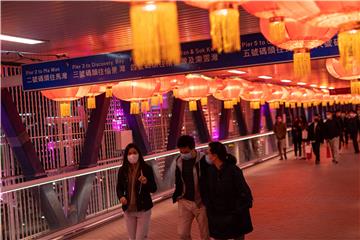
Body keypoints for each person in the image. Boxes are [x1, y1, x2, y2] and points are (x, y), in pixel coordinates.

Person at [204, 142, 253, 240]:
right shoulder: (210, 171)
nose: (206, 155)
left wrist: (237, 209)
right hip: (218, 215)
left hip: (234, 215)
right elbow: (208, 192)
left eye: (208, 153)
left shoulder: (233, 170)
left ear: (215, 156)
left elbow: (244, 192)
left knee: (238, 236)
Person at [116, 143, 157, 240]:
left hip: (143, 209)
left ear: (139, 154)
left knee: (140, 238)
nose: (132, 155)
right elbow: (119, 187)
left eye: (134, 153)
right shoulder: (123, 170)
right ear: (126, 156)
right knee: (132, 238)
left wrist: (146, 182)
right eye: (129, 153)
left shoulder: (146, 168)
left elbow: (154, 188)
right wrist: (121, 196)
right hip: (128, 209)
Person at [172, 135, 210, 240]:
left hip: (201, 202)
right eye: (181, 151)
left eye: (186, 152)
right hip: (185, 201)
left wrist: (207, 199)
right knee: (182, 234)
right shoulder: (179, 161)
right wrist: (178, 195)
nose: (183, 154)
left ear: (193, 148)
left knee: (205, 234)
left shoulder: (203, 160)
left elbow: (209, 180)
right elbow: (178, 179)